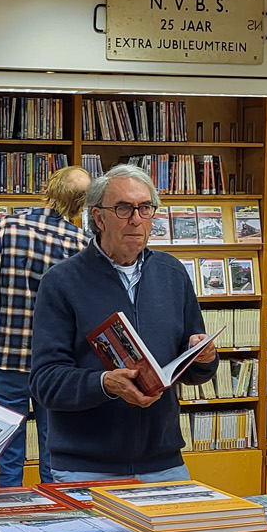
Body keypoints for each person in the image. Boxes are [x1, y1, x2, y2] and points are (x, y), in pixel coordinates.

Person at [29, 164, 217, 483]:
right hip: (85, 468)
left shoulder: (172, 274)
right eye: (123, 208)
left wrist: (205, 360)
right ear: (99, 218)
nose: (136, 219)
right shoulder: (61, 282)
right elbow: (45, 382)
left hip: (164, 466)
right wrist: (105, 383)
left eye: (144, 208)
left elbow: (194, 368)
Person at [0, 165, 92, 486]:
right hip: (55, 366)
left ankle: (8, 518)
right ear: (82, 204)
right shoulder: (82, 243)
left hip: (9, 359)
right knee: (54, 451)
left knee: (8, 453)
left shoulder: (9, 228)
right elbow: (83, 315)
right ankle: (53, 521)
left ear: (49, 187)